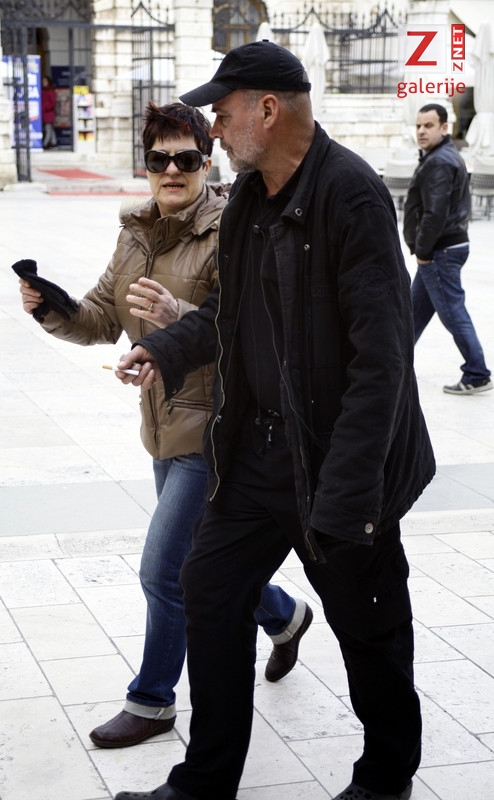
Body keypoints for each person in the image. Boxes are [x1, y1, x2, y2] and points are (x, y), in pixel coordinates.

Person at [113, 42, 435, 800]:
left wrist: (348, 498)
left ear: (266, 109)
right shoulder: (249, 201)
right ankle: (205, 781)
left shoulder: (351, 195)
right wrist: (166, 346)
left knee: (369, 628)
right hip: (258, 455)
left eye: (222, 114)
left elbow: (382, 361)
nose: (214, 130)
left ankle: (386, 778)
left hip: (337, 462)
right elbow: (230, 312)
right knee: (209, 588)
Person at [17, 101, 312, 750]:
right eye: (159, 159)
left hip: (216, 432)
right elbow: (100, 318)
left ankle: (152, 701)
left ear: (207, 163)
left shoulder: (233, 230)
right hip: (162, 429)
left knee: (165, 572)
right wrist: (51, 308)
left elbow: (257, 329)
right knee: (205, 561)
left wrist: (182, 317)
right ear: (146, 166)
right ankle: (284, 615)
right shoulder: (136, 233)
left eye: (186, 158)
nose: (171, 170)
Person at [404, 103, 492, 395]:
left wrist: (423, 251)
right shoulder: (440, 156)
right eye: (418, 125)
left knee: (453, 312)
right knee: (414, 311)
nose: (421, 131)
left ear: (444, 128)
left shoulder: (439, 161)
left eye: (428, 125)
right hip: (441, 248)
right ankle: (395, 362)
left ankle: (477, 373)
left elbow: (435, 213)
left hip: (439, 250)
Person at [41, 76, 57, 150]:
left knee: (48, 128)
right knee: (50, 128)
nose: (44, 83)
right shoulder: (42, 90)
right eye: (43, 81)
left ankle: (45, 143)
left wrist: (45, 107)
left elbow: (53, 102)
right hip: (44, 113)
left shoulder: (50, 91)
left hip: (48, 113)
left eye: (45, 81)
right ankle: (54, 142)